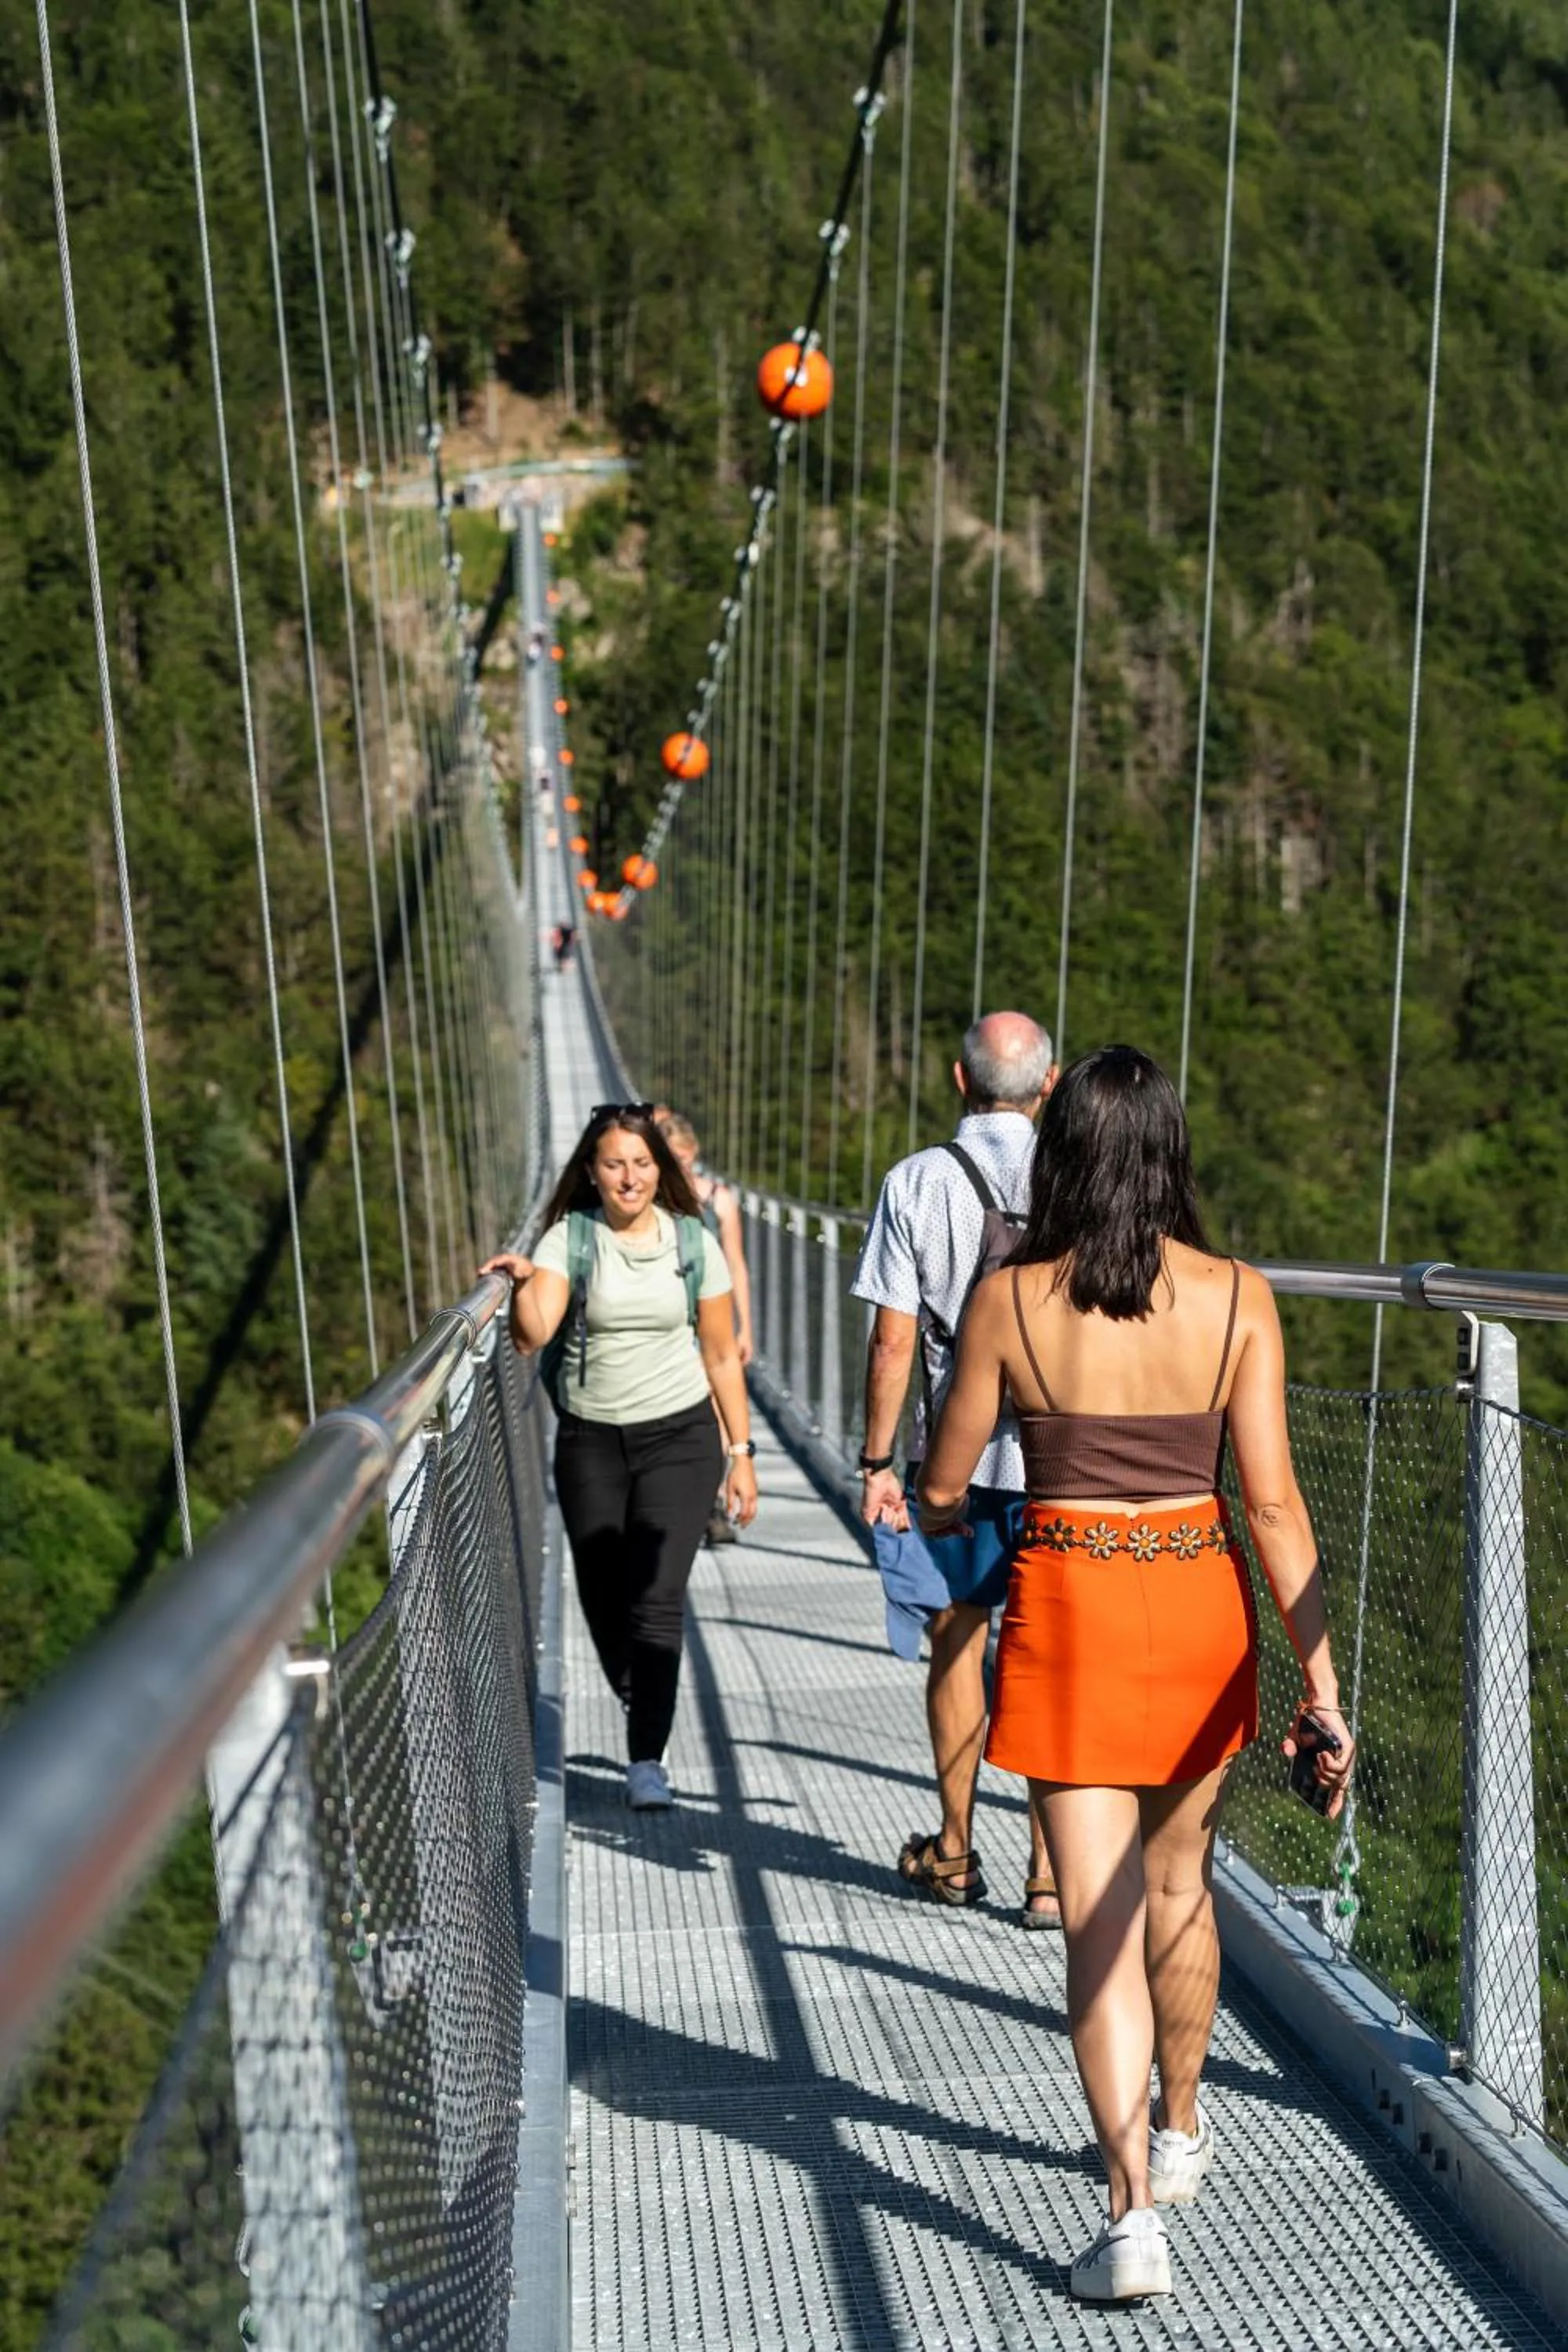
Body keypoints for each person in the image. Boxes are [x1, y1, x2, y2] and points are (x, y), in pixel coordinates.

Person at [915, 1045, 1354, 2304]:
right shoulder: (1238, 1298)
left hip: (1067, 1604)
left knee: (1095, 1925)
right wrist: (1320, 1685)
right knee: (1180, 1891)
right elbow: (1271, 1506)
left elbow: (947, 1485)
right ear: (1171, 1154)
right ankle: (1184, 2126)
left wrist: (938, 1509)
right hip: (1197, 1606)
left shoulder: (1010, 1298)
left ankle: (1127, 2216)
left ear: (1059, 1157)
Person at [481, 1105, 758, 1809]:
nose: (629, 1178)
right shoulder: (567, 1241)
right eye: (614, 1164)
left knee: (657, 1600)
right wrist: (519, 1287)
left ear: (660, 1168)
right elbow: (530, 1335)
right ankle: (646, 1699)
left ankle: (646, 1759)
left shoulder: (692, 1241)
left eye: (642, 1163)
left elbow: (722, 1354)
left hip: (681, 1438)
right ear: (592, 1172)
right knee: (604, 1598)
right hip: (591, 1440)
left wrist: (742, 1452)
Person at [852, 1011, 1058, 1926]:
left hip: (956, 1462)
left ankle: (955, 1850)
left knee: (957, 1639)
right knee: (1050, 1655)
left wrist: (875, 1462)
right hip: (1064, 1461)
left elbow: (894, 1340)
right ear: (1048, 1087)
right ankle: (1049, 1879)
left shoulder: (916, 1181)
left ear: (956, 1079)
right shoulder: (1075, 1180)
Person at [657, 1112, 757, 1548]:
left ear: (693, 1154)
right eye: (668, 1158)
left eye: (682, 1157)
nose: (677, 1165)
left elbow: (736, 1264)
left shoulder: (718, 1198)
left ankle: (712, 1503)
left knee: (717, 1409)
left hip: (713, 1320)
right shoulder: (652, 1202)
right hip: (673, 1319)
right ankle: (681, 1496)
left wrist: (745, 1328)